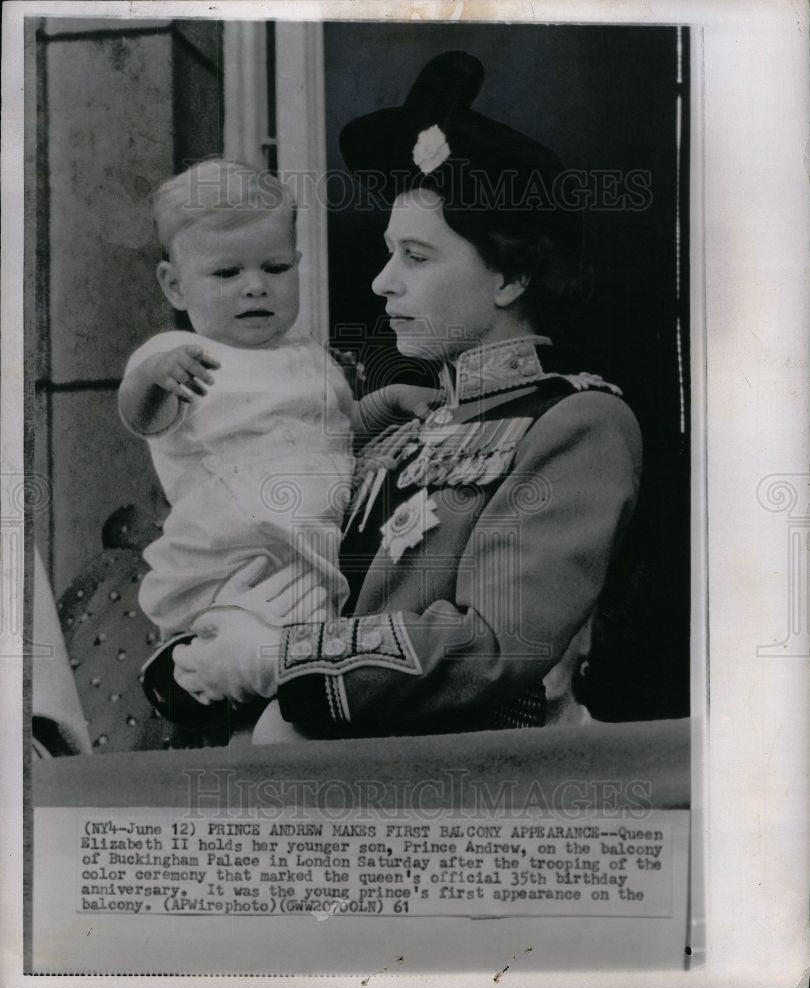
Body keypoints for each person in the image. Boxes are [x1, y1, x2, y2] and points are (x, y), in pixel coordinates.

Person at [165, 51, 643, 736]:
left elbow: (493, 647)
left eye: (416, 257)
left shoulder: (576, 423)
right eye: (391, 253)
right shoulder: (395, 429)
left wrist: (282, 659)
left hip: (477, 795)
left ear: (509, 279)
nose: (382, 282)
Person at [118, 159, 357, 642]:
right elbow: (139, 415)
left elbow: (351, 431)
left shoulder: (311, 355)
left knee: (313, 661)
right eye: (227, 272)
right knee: (245, 653)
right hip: (232, 560)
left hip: (320, 549)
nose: (255, 285)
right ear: (175, 286)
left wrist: (388, 404)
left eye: (276, 267)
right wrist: (152, 379)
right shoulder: (180, 357)